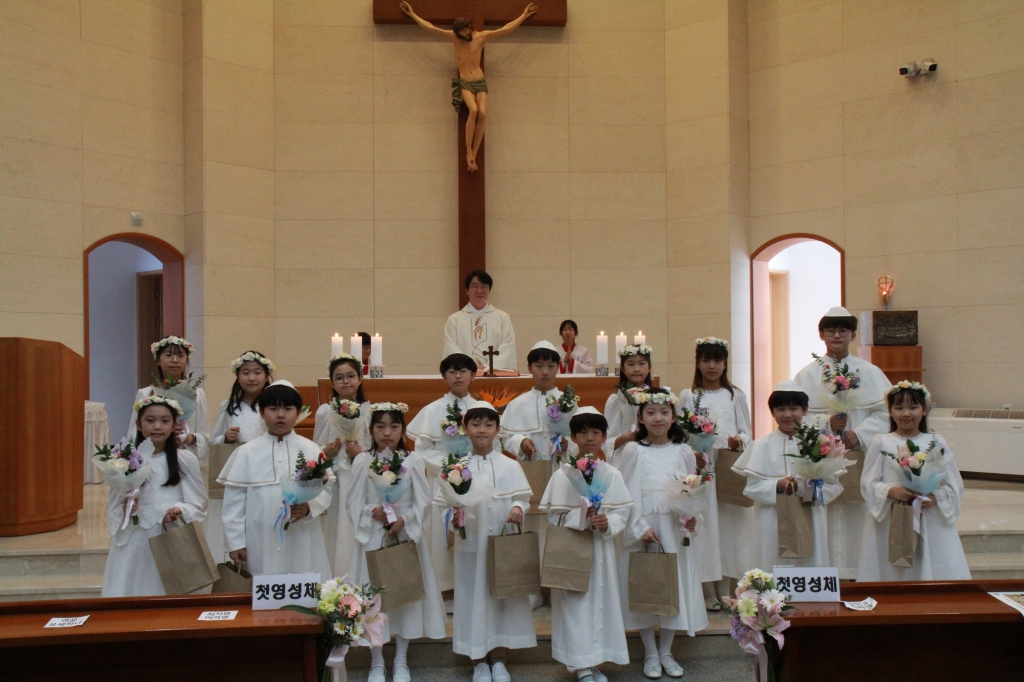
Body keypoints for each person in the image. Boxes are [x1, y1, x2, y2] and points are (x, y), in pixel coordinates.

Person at [346, 402, 447, 682]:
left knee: (405, 597)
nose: (387, 432)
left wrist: (405, 519)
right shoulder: (362, 461)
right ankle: (377, 660)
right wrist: (372, 513)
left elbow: (423, 500)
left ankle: (401, 659)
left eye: (393, 426)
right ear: (371, 430)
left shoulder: (413, 460)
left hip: (404, 536)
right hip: (373, 537)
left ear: (402, 429)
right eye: (380, 427)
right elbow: (353, 502)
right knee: (373, 599)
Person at [436, 401, 535, 682]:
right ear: (465, 428)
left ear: (498, 430)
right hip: (471, 546)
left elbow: (523, 498)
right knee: (472, 599)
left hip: (502, 544)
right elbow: (442, 505)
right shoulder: (456, 467)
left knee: (503, 600)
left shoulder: (510, 465)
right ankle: (477, 660)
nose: (482, 430)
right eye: (476, 424)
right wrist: (453, 516)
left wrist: (518, 507)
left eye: (488, 425)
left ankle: (500, 658)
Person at [793, 306, 892, 580]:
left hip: (858, 456)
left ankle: (856, 572)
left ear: (853, 335)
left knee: (856, 514)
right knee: (822, 514)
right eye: (831, 331)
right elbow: (795, 417)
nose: (837, 335)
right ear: (821, 335)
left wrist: (857, 434)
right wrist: (827, 425)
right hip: (820, 459)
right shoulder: (807, 375)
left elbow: (886, 414)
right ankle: (823, 572)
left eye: (843, 331)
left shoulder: (870, 372)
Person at [619, 388, 707, 680]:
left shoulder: (683, 451)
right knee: (645, 585)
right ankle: (650, 652)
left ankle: (666, 651)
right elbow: (627, 492)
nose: (658, 418)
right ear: (640, 417)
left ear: (673, 417)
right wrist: (639, 527)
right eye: (651, 413)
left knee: (673, 586)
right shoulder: (633, 451)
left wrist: (692, 517)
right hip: (646, 528)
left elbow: (691, 488)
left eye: (664, 412)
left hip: (673, 527)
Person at [539, 407, 632, 682]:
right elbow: (554, 515)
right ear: (573, 437)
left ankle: (593, 661)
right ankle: (580, 665)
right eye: (582, 432)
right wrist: (582, 517)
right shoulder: (562, 474)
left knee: (601, 604)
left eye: (595, 432)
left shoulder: (612, 474)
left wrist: (607, 523)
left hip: (602, 549)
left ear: (604, 437)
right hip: (573, 549)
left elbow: (622, 512)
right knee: (575, 606)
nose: (589, 438)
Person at [400, 1, 538, 172]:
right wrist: (412, 14)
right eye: (462, 32)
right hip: (465, 82)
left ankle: (474, 153)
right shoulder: (454, 38)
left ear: (469, 27)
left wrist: (524, 15)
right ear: (458, 33)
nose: (466, 34)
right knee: (473, 110)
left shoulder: (481, 37)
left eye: (466, 30)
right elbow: (431, 28)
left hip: (480, 81)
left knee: (483, 113)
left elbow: (506, 29)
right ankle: (468, 151)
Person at [218, 381, 334, 580]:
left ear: (298, 413)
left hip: (300, 535)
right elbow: (233, 504)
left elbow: (327, 490)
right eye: (273, 409)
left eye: (288, 409)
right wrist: (235, 542)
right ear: (261, 412)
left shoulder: (311, 449)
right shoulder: (246, 453)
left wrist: (309, 507)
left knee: (302, 581)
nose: (280, 415)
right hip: (258, 538)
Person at [858, 381, 970, 581]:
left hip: (929, 516)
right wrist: (890, 491)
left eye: (913, 407)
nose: (906, 413)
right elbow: (867, 481)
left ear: (924, 410)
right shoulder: (882, 442)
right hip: (894, 514)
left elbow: (954, 484)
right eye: (899, 408)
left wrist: (935, 498)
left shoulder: (935, 442)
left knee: (929, 557)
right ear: (890, 411)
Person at [407, 353, 497, 595]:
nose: (458, 376)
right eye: (452, 372)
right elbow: (422, 450)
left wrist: (473, 467)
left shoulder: (482, 409)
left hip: (476, 482)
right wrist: (450, 467)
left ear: (473, 375)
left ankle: (474, 588)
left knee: (475, 531)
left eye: (463, 371)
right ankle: (444, 588)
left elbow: (494, 445)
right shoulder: (433, 410)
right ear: (444, 376)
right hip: (443, 482)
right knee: (441, 535)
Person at [101, 396, 207, 597]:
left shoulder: (185, 459)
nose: (157, 426)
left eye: (165, 421)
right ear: (138, 424)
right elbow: (113, 505)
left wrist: (180, 510)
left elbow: (199, 503)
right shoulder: (124, 462)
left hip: (170, 538)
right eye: (150, 420)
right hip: (135, 541)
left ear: (174, 425)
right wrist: (126, 510)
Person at [733, 381, 840, 572]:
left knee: (810, 569)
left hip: (810, 517)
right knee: (771, 568)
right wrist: (778, 486)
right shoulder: (761, 445)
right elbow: (751, 488)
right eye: (780, 409)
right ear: (772, 412)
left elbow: (834, 485)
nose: (787, 415)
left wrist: (810, 490)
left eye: (794, 408)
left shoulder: (820, 443)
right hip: (771, 521)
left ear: (805, 410)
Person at [499, 340, 575, 609]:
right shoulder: (518, 404)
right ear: (530, 368)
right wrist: (520, 442)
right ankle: (531, 590)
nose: (545, 372)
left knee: (560, 527)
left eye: (551, 366)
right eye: (539, 366)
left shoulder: (569, 403)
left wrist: (568, 446)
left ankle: (557, 587)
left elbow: (582, 436)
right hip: (530, 473)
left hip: (560, 473)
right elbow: (504, 435)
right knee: (531, 529)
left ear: (558, 369)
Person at [679, 337, 752, 610]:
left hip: (729, 463)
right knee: (705, 525)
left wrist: (738, 440)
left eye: (717, 360)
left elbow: (747, 431)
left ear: (725, 364)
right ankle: (706, 589)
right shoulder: (689, 396)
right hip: (702, 466)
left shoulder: (735, 395)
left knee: (731, 525)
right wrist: (692, 452)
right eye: (706, 360)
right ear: (698, 363)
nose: (712, 366)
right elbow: (680, 434)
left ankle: (727, 588)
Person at [206, 350, 274, 562]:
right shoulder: (228, 407)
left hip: (266, 471)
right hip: (237, 473)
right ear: (237, 375)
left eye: (257, 372)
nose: (252, 378)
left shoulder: (273, 407)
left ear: (267, 375)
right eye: (246, 372)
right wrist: (225, 438)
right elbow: (212, 442)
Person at [314, 353, 372, 577]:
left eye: (350, 376)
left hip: (360, 476)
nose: (345, 381)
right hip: (336, 477)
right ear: (332, 382)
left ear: (360, 378)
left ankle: (360, 575)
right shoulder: (325, 412)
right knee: (336, 527)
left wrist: (360, 454)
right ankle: (334, 575)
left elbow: (375, 449)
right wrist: (327, 451)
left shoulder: (369, 412)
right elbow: (315, 449)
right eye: (339, 378)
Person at [129, 335, 208, 469]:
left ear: (187, 361)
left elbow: (204, 435)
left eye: (180, 355)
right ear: (158, 360)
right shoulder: (146, 394)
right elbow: (133, 432)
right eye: (169, 355)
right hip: (151, 459)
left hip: (185, 460)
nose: (175, 360)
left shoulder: (197, 394)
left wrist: (188, 437)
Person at [443, 270, 518, 375]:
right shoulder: (454, 320)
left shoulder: (502, 318)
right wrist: (470, 367)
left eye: (484, 286)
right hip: (464, 375)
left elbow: (507, 346)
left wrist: (488, 367)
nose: (479, 291)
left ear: (489, 290)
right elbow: (451, 348)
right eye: (475, 286)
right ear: (467, 290)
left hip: (494, 375)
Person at [603, 344, 653, 466]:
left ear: (649, 368)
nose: (636, 369)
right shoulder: (615, 401)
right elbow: (606, 443)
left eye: (641, 364)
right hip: (623, 459)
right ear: (623, 369)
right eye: (631, 364)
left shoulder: (657, 398)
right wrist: (627, 437)